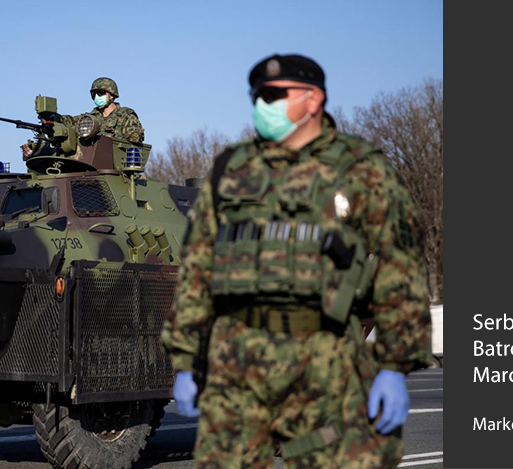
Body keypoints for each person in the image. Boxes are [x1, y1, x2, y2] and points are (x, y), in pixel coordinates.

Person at [161, 54, 433, 468]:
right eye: (256, 97)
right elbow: (198, 270)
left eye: (273, 96)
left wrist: (396, 365)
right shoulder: (232, 170)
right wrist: (185, 360)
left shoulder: (362, 169)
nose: (261, 106)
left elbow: (403, 266)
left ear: (312, 100)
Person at [57, 77, 145, 144]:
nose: (97, 97)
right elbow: (70, 122)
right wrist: (54, 117)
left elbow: (135, 139)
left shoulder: (126, 116)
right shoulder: (89, 118)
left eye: (101, 93)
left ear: (112, 95)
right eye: (94, 94)